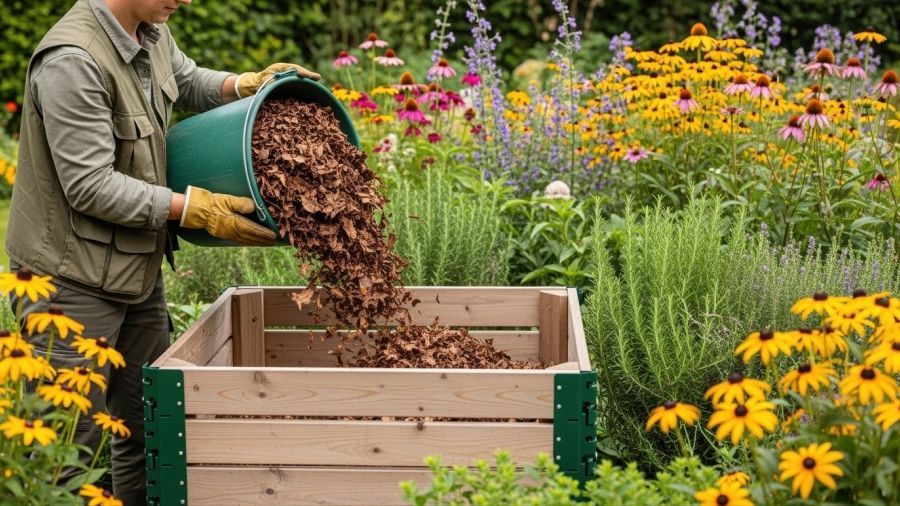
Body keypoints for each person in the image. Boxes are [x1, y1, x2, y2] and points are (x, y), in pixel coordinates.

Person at [4, 0, 319, 503]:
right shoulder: (73, 61)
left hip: (133, 270)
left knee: (147, 429)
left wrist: (242, 84)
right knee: (66, 450)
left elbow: (186, 79)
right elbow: (89, 185)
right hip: (68, 284)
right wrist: (193, 208)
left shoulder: (148, 29)